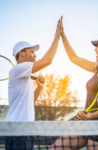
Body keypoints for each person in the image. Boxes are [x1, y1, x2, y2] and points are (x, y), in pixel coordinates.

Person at [50, 17, 98, 150]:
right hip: (86, 122)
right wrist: (63, 36)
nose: (95, 49)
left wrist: (90, 115)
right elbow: (74, 58)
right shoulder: (97, 68)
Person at [5, 17, 61, 150]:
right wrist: (57, 38)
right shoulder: (18, 69)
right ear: (22, 54)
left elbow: (30, 101)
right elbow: (47, 60)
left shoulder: (24, 77)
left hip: (26, 130)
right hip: (17, 129)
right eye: (32, 52)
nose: (35, 55)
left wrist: (39, 87)